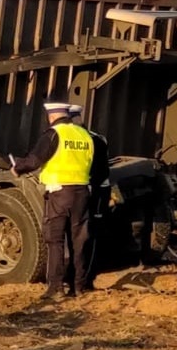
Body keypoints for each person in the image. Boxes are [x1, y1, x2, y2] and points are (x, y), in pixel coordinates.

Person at [10, 101, 94, 300]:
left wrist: (17, 168)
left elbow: (34, 161)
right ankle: (78, 287)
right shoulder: (84, 135)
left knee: (55, 240)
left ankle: (56, 288)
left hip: (59, 193)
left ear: (51, 117)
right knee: (78, 241)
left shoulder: (54, 134)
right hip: (82, 192)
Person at [68, 104, 110, 290]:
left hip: (90, 191)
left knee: (86, 234)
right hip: (91, 190)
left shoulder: (90, 139)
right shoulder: (95, 138)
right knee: (85, 235)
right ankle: (83, 279)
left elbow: (100, 170)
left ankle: (83, 279)